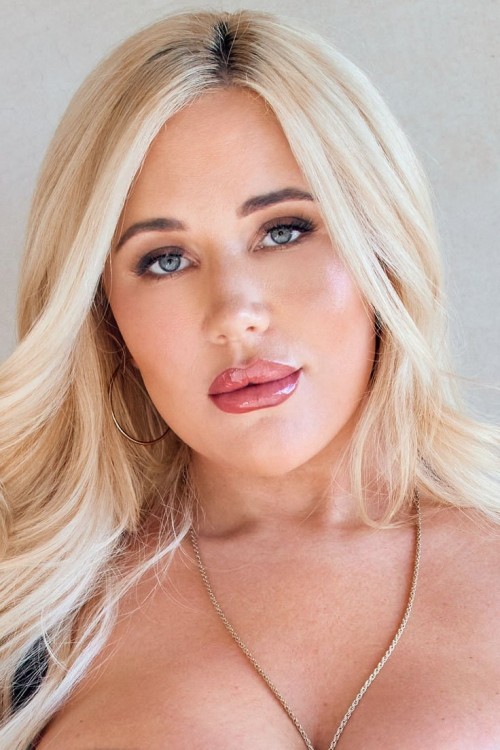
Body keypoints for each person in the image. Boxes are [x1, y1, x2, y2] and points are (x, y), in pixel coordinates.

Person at [1, 8, 499, 750]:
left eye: (283, 230)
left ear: (383, 247)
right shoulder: (30, 604)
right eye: (164, 259)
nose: (235, 313)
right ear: (106, 317)